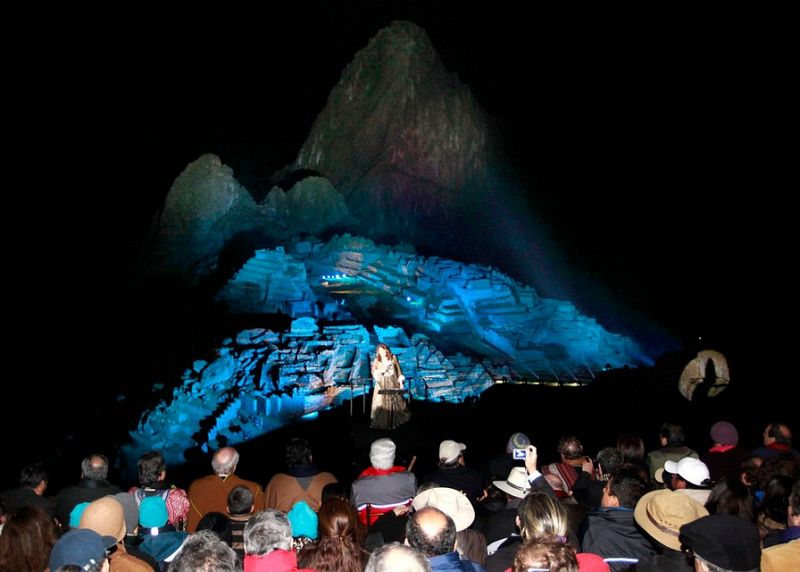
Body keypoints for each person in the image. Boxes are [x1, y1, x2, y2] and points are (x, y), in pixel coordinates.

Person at [370, 342, 411, 430]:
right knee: (381, 404)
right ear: (378, 352)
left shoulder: (393, 358)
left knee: (396, 403)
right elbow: (373, 371)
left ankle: (395, 422)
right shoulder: (377, 360)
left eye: (385, 350)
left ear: (387, 350)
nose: (384, 352)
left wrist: (401, 383)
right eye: (381, 351)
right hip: (382, 384)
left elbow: (399, 371)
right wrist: (381, 371)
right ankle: (383, 424)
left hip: (393, 382)